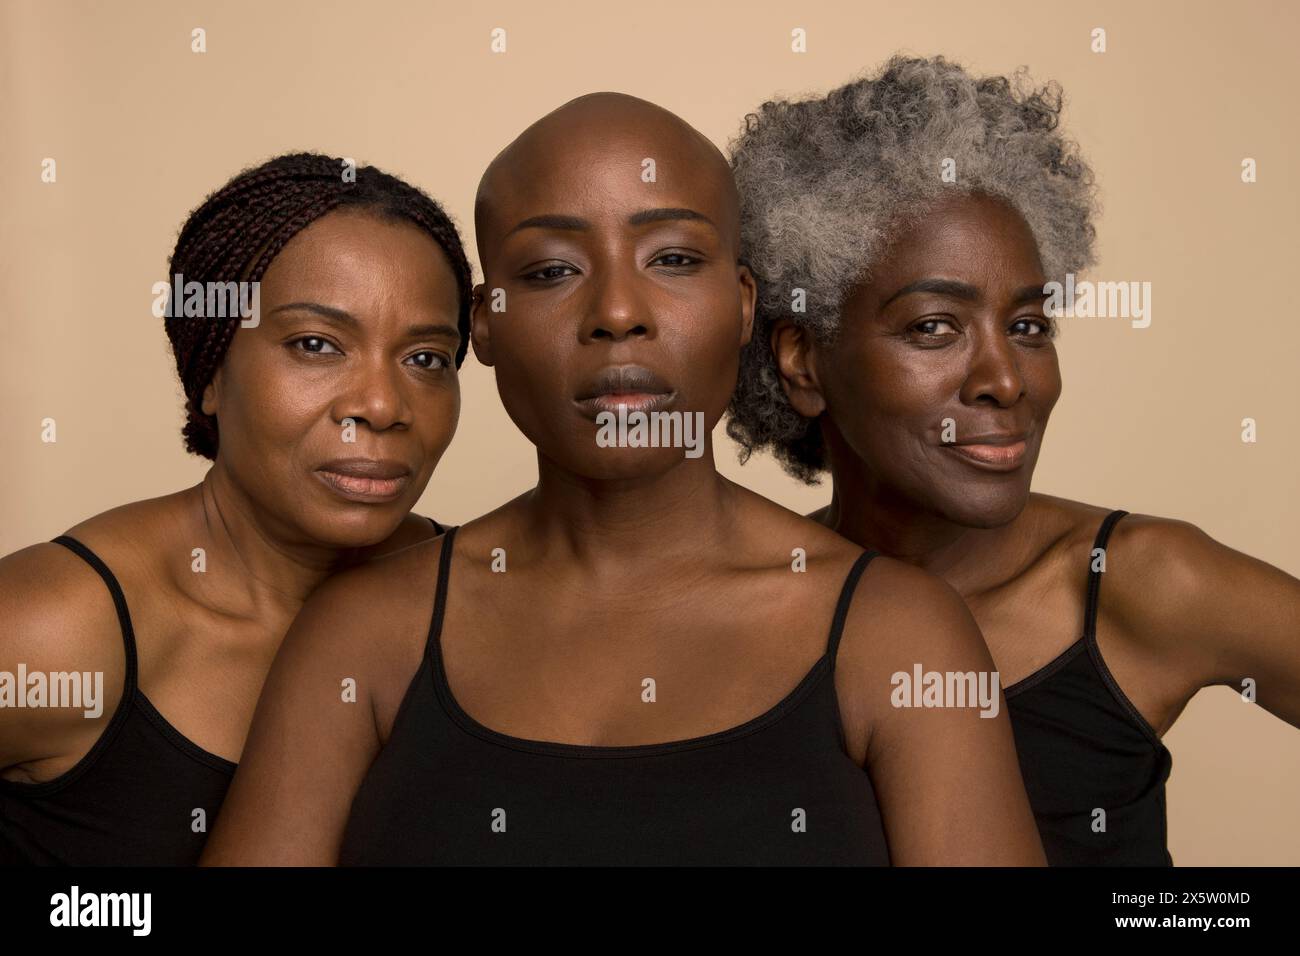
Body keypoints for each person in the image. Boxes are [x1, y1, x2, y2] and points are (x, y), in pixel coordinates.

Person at [201, 94, 1044, 866]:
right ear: (483, 326)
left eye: (673, 258)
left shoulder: (901, 638)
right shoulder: (363, 634)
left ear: (745, 305)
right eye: (551, 271)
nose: (616, 312)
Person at [726, 55, 1300, 864]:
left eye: (1029, 326)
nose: (1006, 379)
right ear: (802, 360)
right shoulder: (751, 603)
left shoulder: (1141, 583)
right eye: (934, 327)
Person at [0, 152, 472, 864]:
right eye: (316, 344)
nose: (380, 405)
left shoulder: (479, 600)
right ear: (211, 374)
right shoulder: (54, 627)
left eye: (426, 359)